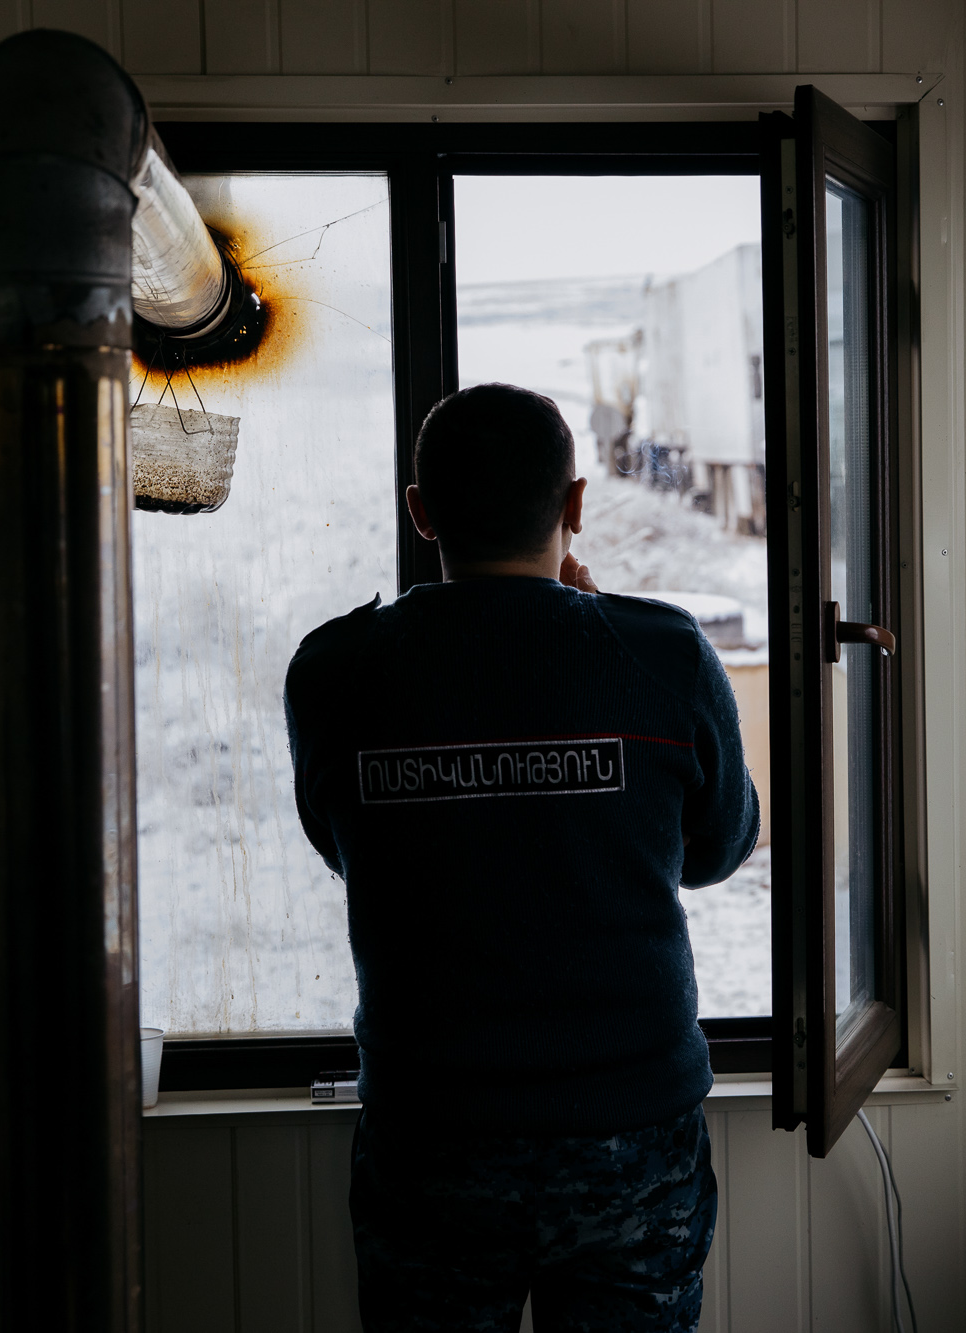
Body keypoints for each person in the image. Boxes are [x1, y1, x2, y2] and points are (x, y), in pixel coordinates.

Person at [284, 382, 761, 1331]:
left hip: (432, 1140)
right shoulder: (662, 654)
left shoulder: (337, 672)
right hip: (631, 1134)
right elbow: (720, 847)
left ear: (421, 513)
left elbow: (351, 850)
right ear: (575, 505)